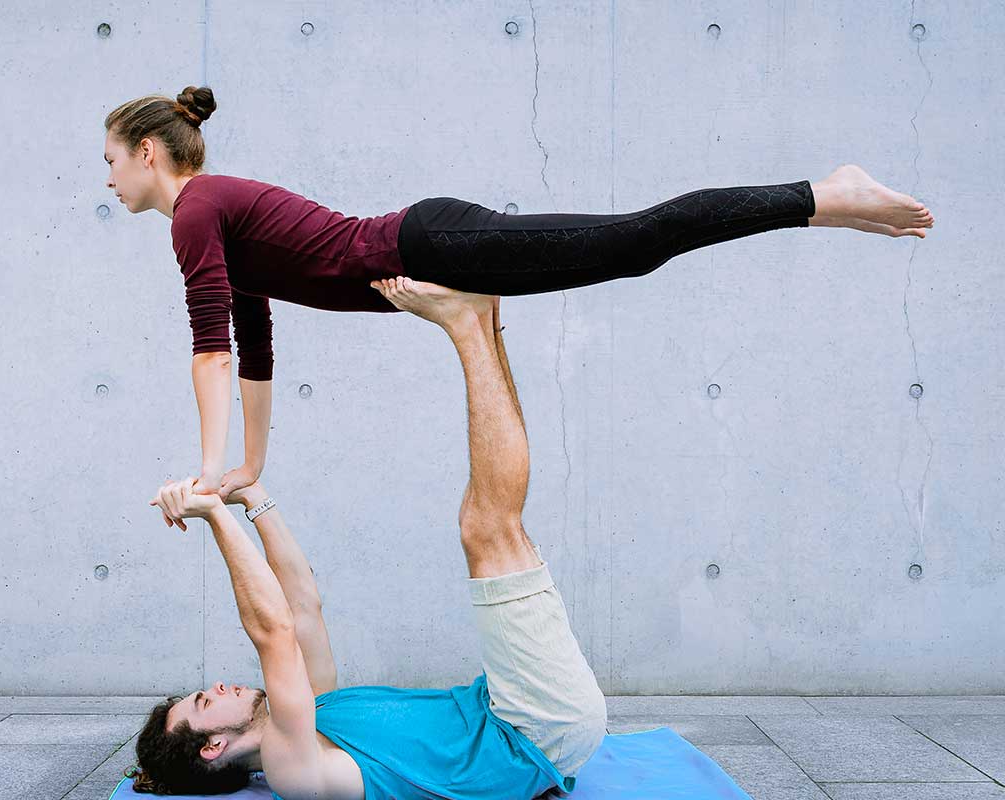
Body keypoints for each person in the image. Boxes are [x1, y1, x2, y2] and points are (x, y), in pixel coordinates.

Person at [103, 86, 935, 510]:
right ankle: (824, 198)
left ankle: (826, 194)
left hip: (431, 244)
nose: (107, 178)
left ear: (148, 152)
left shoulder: (197, 208)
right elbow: (250, 344)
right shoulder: (208, 215)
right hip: (435, 254)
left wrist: (209, 474)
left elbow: (208, 349)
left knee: (635, 240)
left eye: (112, 161)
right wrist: (248, 466)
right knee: (633, 251)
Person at [137, 281, 609, 798]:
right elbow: (271, 632)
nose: (219, 685)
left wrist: (254, 499)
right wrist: (212, 517)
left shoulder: (314, 713)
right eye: (205, 701)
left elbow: (301, 608)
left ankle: (485, 312)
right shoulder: (292, 768)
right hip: (533, 730)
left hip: (506, 708)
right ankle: (465, 324)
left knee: (489, 525)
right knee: (487, 529)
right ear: (214, 748)